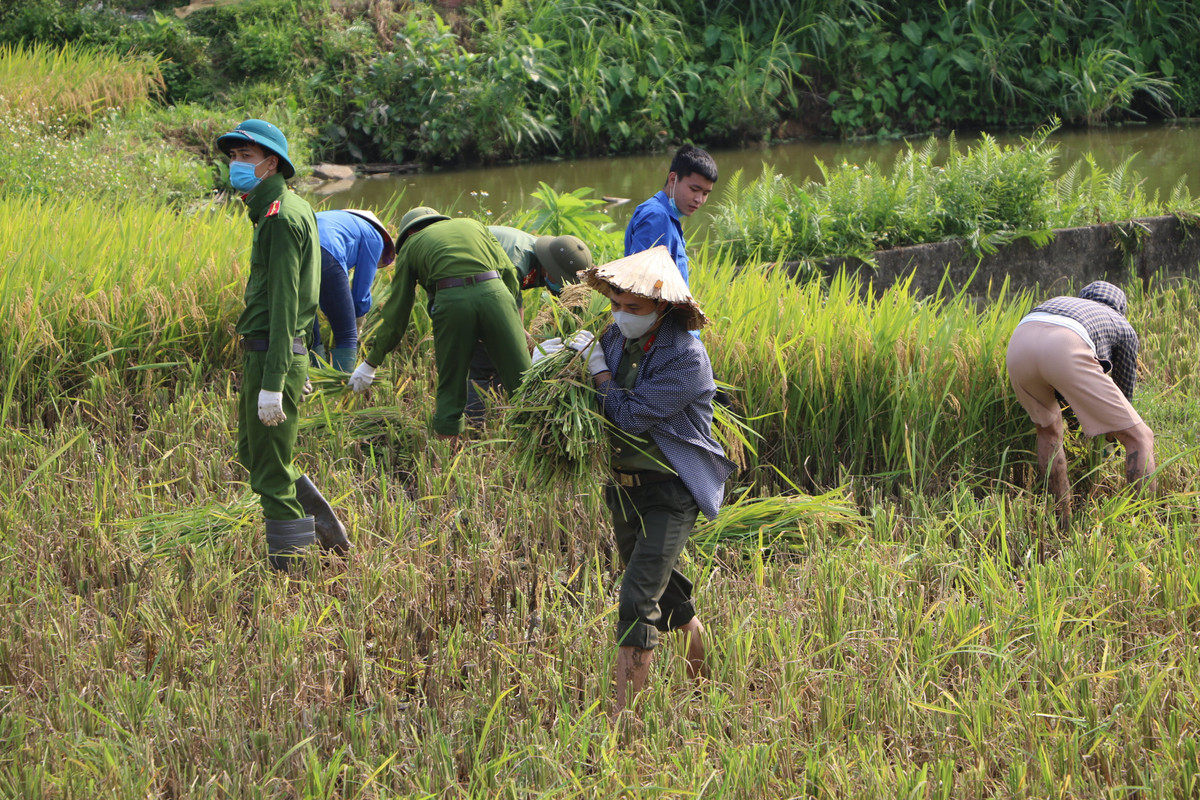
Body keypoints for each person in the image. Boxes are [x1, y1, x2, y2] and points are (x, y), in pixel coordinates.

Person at [534, 245, 735, 712]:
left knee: (635, 599)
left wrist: (599, 373)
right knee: (666, 597)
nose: (622, 316)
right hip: (623, 488)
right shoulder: (618, 337)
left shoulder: (686, 358)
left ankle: (624, 725)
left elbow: (628, 415)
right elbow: (584, 388)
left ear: (662, 307)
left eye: (635, 308)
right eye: (617, 306)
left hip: (670, 490)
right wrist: (560, 362)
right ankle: (705, 689)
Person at [216, 118, 350, 570]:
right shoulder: (281, 210)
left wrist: (277, 378)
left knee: (270, 473)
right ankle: (324, 525)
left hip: (269, 357)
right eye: (233, 157)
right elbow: (300, 300)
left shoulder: (279, 218)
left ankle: (291, 572)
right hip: (272, 354)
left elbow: (285, 305)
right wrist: (298, 362)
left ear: (270, 163)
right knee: (254, 455)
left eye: (246, 157)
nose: (236, 164)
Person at [346, 207, 531, 440]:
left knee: (451, 382)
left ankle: (449, 447)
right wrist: (506, 314)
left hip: (452, 301)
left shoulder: (412, 245)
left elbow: (398, 310)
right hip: (496, 294)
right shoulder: (473, 224)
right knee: (523, 377)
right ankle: (538, 441)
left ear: (409, 232)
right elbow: (508, 272)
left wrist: (372, 362)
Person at [1005, 280, 1156, 527]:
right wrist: (1112, 440)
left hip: (1020, 343)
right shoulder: (1120, 324)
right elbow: (1123, 391)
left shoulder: (1067, 303)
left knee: (1048, 432)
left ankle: (1060, 521)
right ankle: (1142, 526)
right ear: (1120, 308)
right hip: (1066, 342)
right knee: (1140, 437)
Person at [463, 226, 593, 418]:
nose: (561, 286)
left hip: (487, 281)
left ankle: (495, 408)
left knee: (507, 352)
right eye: (560, 280)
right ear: (549, 268)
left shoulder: (545, 259)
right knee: (486, 357)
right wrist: (529, 343)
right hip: (464, 281)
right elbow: (507, 315)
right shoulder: (516, 263)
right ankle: (474, 425)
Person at [311, 209, 395, 373]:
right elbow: (360, 292)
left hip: (294, 252)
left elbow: (324, 290)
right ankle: (339, 391)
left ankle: (314, 382)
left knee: (309, 331)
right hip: (327, 251)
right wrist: (357, 321)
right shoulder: (374, 236)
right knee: (347, 335)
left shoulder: (337, 220)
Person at [624, 144, 718, 287]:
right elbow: (643, 285)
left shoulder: (668, 217)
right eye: (694, 189)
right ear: (673, 179)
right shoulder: (656, 216)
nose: (699, 199)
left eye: (705, 193)